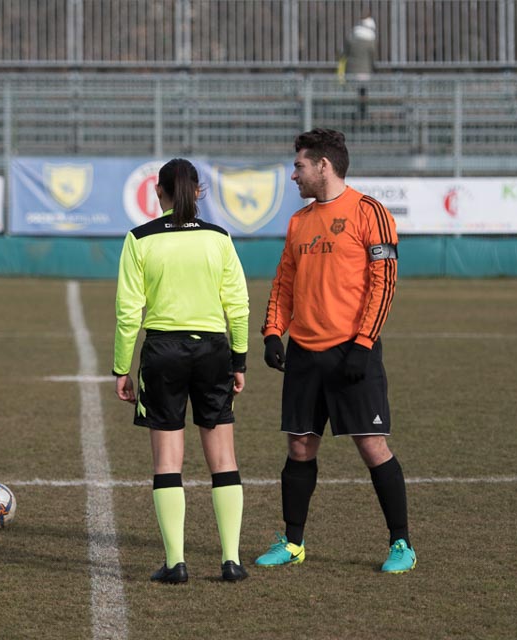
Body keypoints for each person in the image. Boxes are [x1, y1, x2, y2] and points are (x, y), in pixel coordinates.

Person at [254, 128, 415, 574]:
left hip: (352, 352)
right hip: (305, 353)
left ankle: (401, 544)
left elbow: (384, 283)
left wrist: (363, 344)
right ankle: (292, 542)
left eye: (299, 166)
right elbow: (284, 282)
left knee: (372, 446)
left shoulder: (370, 212)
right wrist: (273, 332)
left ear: (323, 165)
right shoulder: (299, 222)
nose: (294, 175)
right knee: (300, 446)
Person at [113, 158, 250, 584]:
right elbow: (238, 305)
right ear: (198, 191)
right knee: (223, 458)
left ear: (159, 192)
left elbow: (128, 311)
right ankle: (231, 561)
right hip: (213, 351)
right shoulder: (219, 237)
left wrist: (121, 367)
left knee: (167, 461)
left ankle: (176, 564)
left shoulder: (140, 238)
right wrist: (239, 361)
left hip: (163, 353)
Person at [337, 14, 377, 119]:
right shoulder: (370, 40)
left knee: (351, 94)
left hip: (351, 71)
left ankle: (349, 116)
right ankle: (363, 115)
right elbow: (372, 56)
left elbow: (343, 53)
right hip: (365, 72)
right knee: (363, 93)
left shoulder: (351, 37)